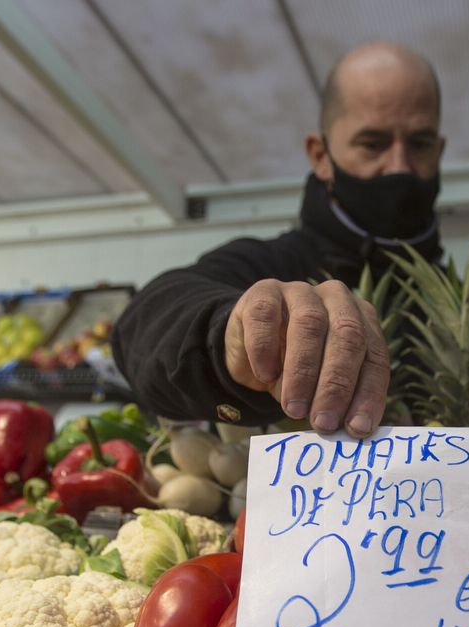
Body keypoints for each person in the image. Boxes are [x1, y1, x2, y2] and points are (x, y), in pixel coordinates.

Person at [111, 41, 446, 439]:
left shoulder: (453, 300)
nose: (399, 166)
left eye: (420, 144)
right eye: (373, 144)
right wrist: (228, 337)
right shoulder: (268, 263)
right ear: (320, 155)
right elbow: (146, 321)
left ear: (440, 151)